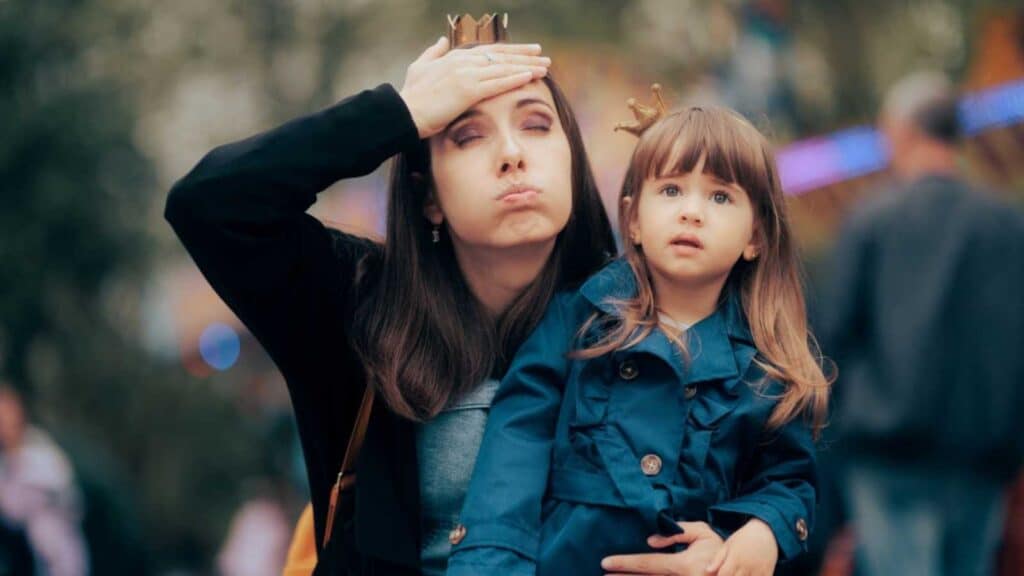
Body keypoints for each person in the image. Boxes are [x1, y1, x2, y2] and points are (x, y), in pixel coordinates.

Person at [165, 23, 616, 575]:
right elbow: (209, 204)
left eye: (537, 124)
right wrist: (397, 115)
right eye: (468, 136)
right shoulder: (360, 304)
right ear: (428, 197)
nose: (512, 154)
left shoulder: (637, 318)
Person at [446, 103, 830, 576]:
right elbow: (515, 447)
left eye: (720, 198)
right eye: (670, 190)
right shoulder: (578, 320)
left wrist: (762, 534)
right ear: (632, 219)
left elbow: (788, 481)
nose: (691, 212)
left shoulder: (768, 364)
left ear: (756, 237)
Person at [822, 71, 1024, 576]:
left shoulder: (870, 219)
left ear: (899, 131)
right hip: (983, 456)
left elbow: (835, 339)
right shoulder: (1006, 225)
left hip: (889, 459)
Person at [0, 384, 89, 576]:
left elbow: (15, 509)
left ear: (19, 414)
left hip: (56, 556)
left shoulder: (43, 455)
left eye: (6, 414)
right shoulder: (5, 462)